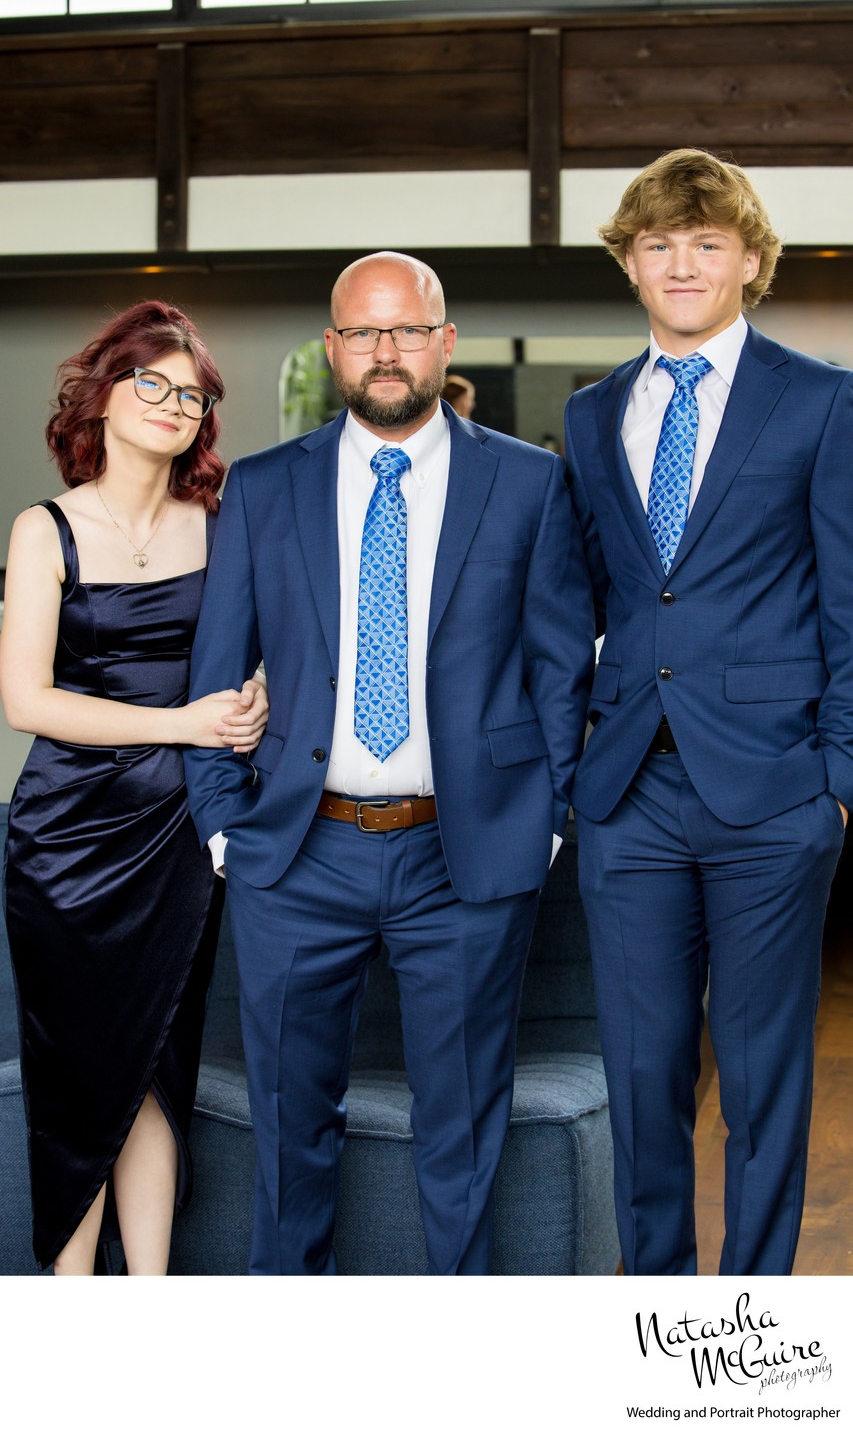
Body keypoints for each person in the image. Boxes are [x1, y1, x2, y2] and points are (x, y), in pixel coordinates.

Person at [184, 250, 594, 1275]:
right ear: (333, 348)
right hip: (294, 855)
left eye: (406, 329)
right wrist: (222, 827)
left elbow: (559, 670)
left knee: (460, 1133)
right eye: (363, 331)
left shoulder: (530, 483)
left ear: (443, 341)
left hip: (464, 859)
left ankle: (453, 1374)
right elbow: (213, 670)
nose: (385, 351)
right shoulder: (264, 488)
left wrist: (543, 817)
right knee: (288, 1134)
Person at [564, 147, 851, 1275]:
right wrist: (560, 772)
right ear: (631, 266)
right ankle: (656, 1311)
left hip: (774, 792)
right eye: (657, 244)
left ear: (748, 261)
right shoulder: (592, 417)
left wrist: (837, 781)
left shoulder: (822, 401)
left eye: (705, 243)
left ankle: (752, 1318)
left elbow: (848, 595)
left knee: (763, 1072)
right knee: (638, 1077)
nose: (680, 263)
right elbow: (567, 607)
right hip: (627, 789)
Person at [0, 300, 269, 1275]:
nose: (171, 403)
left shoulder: (226, 519)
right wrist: (184, 722)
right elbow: (26, 700)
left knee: (159, 1069)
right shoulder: (45, 530)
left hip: (180, 834)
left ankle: (148, 1310)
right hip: (65, 841)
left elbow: (270, 648)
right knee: (78, 1083)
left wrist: (255, 698)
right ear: (103, 396)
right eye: (149, 382)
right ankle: (68, 1321)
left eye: (190, 394)